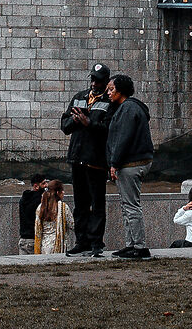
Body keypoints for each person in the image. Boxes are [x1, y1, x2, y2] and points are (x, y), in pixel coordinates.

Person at [59, 64, 113, 258]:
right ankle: (81, 241)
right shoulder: (79, 97)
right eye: (92, 79)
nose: (94, 83)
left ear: (106, 81)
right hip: (77, 157)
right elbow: (64, 125)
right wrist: (75, 121)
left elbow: (109, 129)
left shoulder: (110, 101)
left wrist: (89, 123)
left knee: (97, 203)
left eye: (98, 80)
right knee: (80, 203)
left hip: (96, 160)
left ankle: (96, 242)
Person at [105, 73, 154, 260]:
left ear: (121, 90)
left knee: (131, 206)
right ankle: (131, 244)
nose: (108, 93)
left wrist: (114, 163)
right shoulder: (132, 107)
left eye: (111, 89)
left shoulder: (127, 110)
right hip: (137, 162)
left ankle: (139, 247)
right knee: (127, 205)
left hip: (130, 164)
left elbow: (122, 139)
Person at [32, 178, 75, 255]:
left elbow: (38, 229)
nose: (64, 192)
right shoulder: (63, 207)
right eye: (62, 190)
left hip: (44, 246)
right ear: (58, 192)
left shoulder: (40, 207)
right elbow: (72, 225)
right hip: (58, 245)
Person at [17, 173, 46, 255]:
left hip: (23, 240)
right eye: (43, 183)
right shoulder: (39, 200)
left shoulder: (23, 199)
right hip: (33, 240)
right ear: (36, 186)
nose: (46, 185)